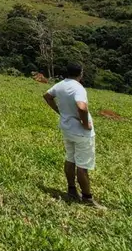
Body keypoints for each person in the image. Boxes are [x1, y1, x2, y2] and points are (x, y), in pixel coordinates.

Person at [43, 62, 102, 207]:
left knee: (70, 159)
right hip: (81, 133)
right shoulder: (78, 88)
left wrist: (59, 111)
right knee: (82, 165)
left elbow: (47, 96)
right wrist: (84, 123)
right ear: (80, 73)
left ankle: (71, 190)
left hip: (67, 129)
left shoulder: (60, 85)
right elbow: (82, 107)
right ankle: (87, 198)